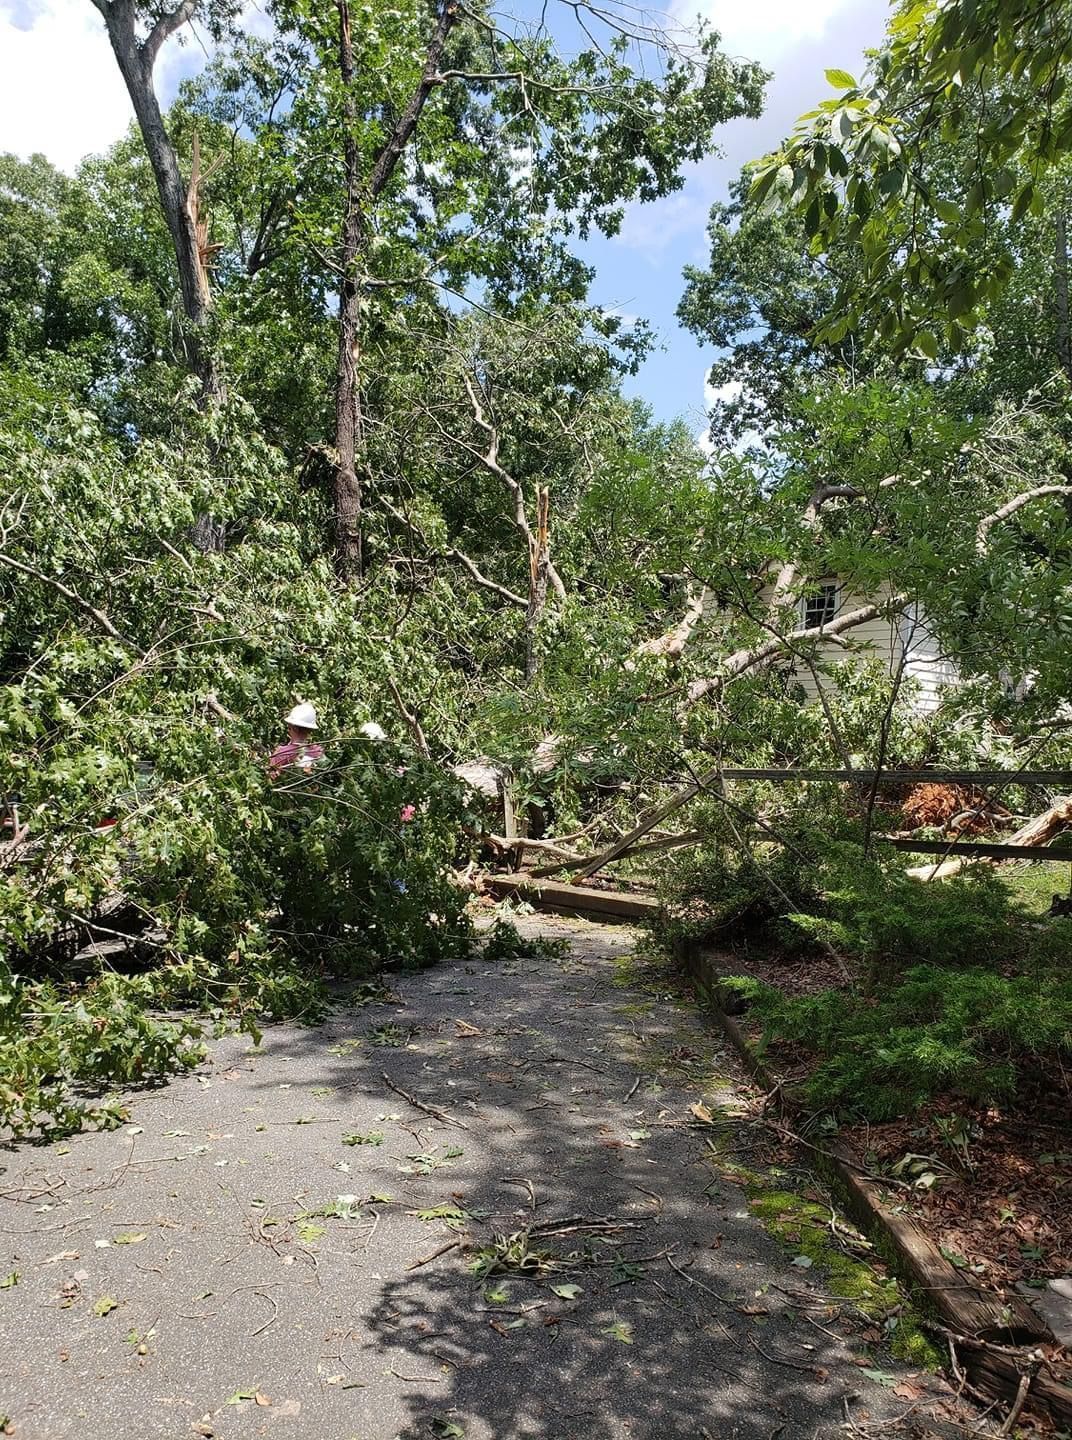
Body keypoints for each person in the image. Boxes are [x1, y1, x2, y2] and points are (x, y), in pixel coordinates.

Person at [269, 702, 325, 777]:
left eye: (289, 727)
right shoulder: (318, 751)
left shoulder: (282, 753)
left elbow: (270, 778)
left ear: (294, 728)